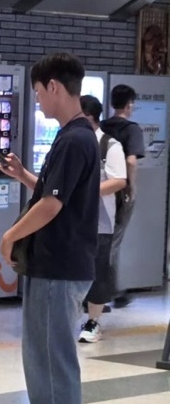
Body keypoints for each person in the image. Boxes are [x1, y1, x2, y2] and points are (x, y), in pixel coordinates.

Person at [0, 52, 99, 404]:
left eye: (38, 92)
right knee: (42, 360)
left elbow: (53, 206)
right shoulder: (73, 136)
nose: (37, 100)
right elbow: (56, 194)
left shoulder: (75, 139)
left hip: (60, 267)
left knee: (53, 364)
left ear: (54, 86)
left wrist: (10, 235)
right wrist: (24, 176)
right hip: (55, 265)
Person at [77, 96, 127, 343]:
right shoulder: (69, 141)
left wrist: (86, 191)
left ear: (90, 117)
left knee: (97, 270)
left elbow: (119, 181)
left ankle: (93, 321)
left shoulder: (109, 145)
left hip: (100, 220)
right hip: (71, 219)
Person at [101, 84, 146, 308]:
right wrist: (131, 188)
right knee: (113, 242)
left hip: (100, 190)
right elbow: (131, 161)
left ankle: (97, 291)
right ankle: (107, 293)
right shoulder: (132, 129)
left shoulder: (102, 126)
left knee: (100, 240)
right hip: (119, 192)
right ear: (129, 105)